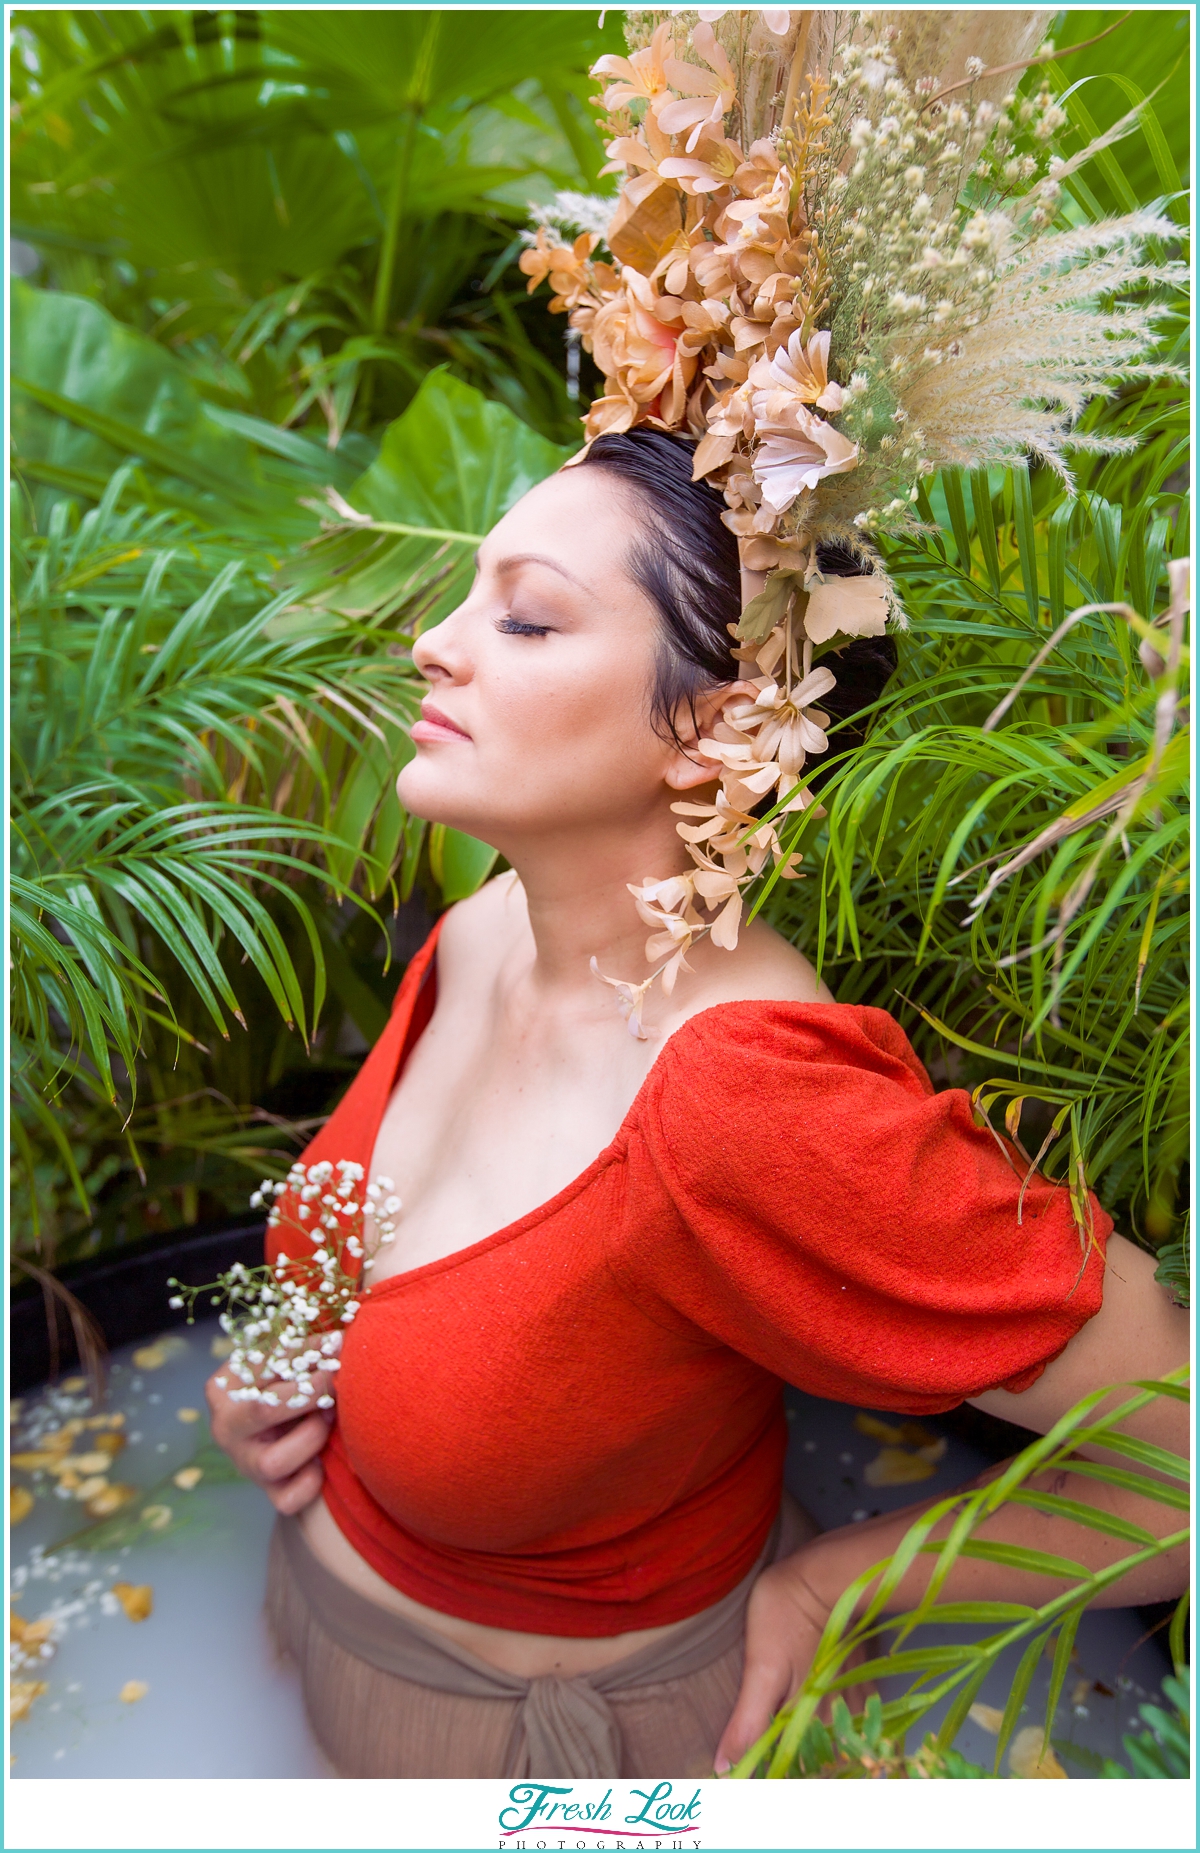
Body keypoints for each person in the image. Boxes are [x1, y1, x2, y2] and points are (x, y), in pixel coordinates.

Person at [207, 430, 1188, 1780]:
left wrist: (841, 1585)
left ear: (715, 726)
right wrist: (283, 1376)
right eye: (467, 596)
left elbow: (1182, 1459)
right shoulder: (492, 928)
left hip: (575, 1767)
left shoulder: (747, 1100)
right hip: (328, 1648)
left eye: (528, 616)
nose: (433, 643)